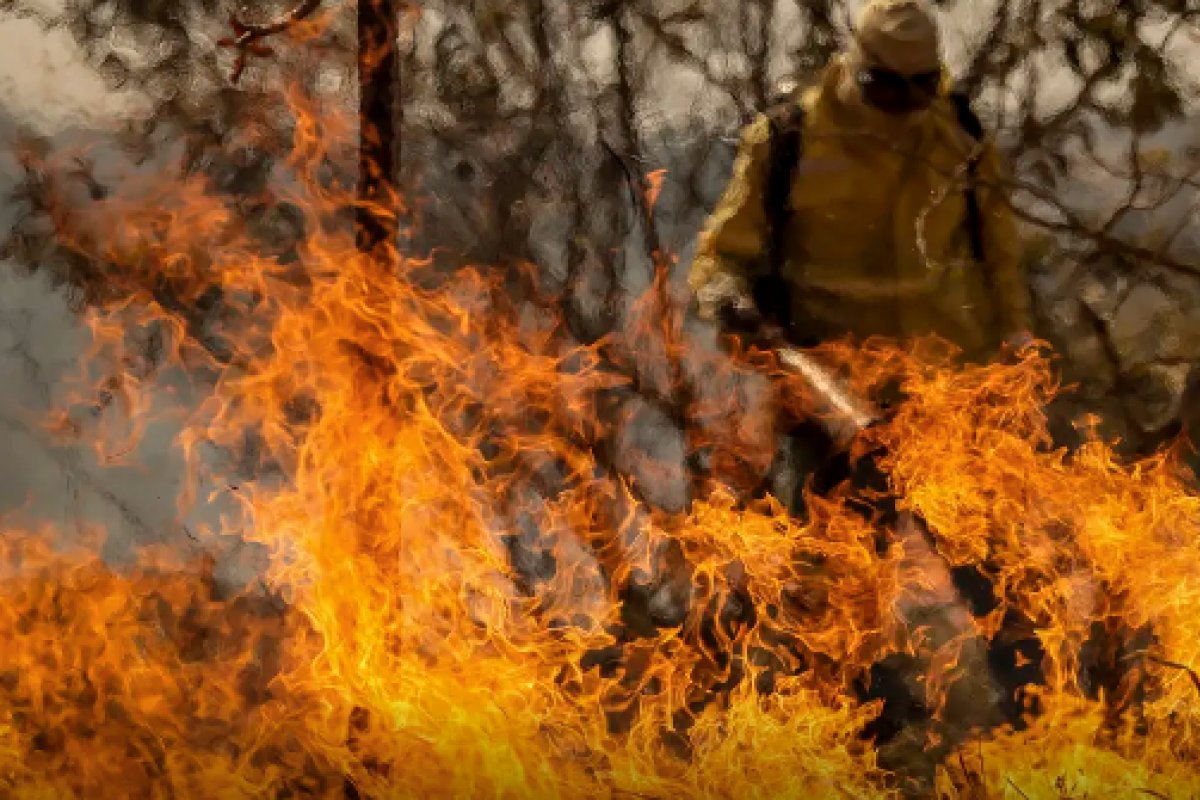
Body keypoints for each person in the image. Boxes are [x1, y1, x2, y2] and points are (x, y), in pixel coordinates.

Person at [687, 1, 1039, 792]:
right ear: (858, 69)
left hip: (940, 402)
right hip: (828, 408)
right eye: (889, 87)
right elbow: (722, 257)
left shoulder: (957, 136)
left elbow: (1001, 259)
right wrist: (732, 302)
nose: (903, 104)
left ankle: (1039, 737)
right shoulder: (789, 139)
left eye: (919, 87)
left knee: (990, 578)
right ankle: (870, 751)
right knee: (845, 592)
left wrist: (1016, 357)